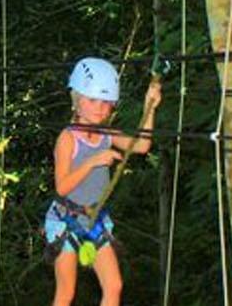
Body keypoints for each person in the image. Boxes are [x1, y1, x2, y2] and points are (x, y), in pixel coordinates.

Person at [45, 57, 160, 306]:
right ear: (77, 101)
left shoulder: (107, 134)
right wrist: (93, 161)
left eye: (106, 103)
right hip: (66, 220)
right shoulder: (68, 138)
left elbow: (141, 145)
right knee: (66, 293)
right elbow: (62, 187)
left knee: (114, 286)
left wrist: (149, 109)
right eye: (93, 100)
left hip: (95, 220)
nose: (100, 108)